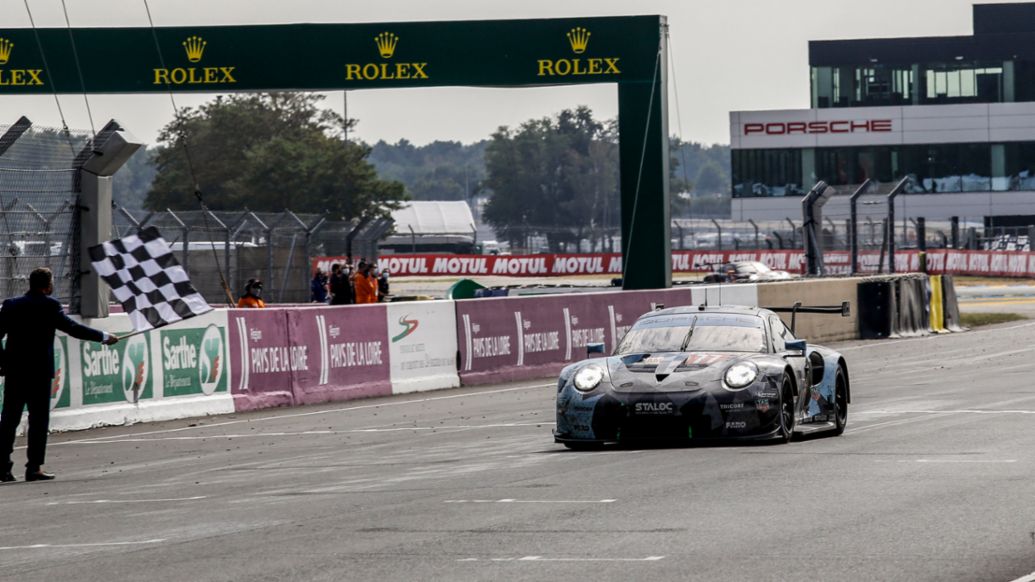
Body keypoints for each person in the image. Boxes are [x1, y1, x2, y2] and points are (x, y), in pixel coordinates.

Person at [0, 267, 118, 482]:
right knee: (38, 421)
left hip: (15, 371)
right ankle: (33, 468)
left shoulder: (11, 305)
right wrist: (103, 337)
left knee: (8, 420)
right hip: (39, 373)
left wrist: (2, 361)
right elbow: (73, 329)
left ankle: (2, 468)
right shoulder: (50, 305)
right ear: (48, 285)